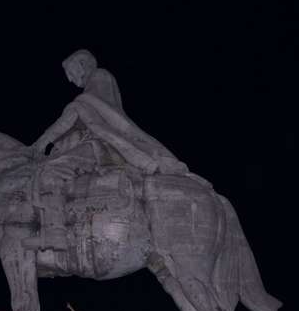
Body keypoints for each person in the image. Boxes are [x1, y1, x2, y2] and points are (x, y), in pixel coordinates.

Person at [28, 49, 187, 250]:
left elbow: (77, 113)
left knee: (51, 171)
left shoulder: (99, 77)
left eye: (71, 72)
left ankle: (56, 233)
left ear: (82, 65)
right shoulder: (97, 87)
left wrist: (41, 143)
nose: (70, 80)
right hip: (101, 143)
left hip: (102, 146)